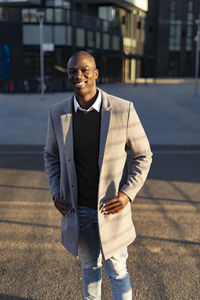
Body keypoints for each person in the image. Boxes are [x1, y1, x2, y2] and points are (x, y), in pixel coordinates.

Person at [44, 51, 152, 300]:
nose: (78, 75)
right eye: (72, 71)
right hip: (77, 209)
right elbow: (50, 155)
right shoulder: (57, 113)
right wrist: (55, 191)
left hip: (111, 209)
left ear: (95, 73)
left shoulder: (123, 110)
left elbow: (143, 155)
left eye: (84, 70)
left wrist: (127, 194)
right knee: (90, 268)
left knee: (116, 270)